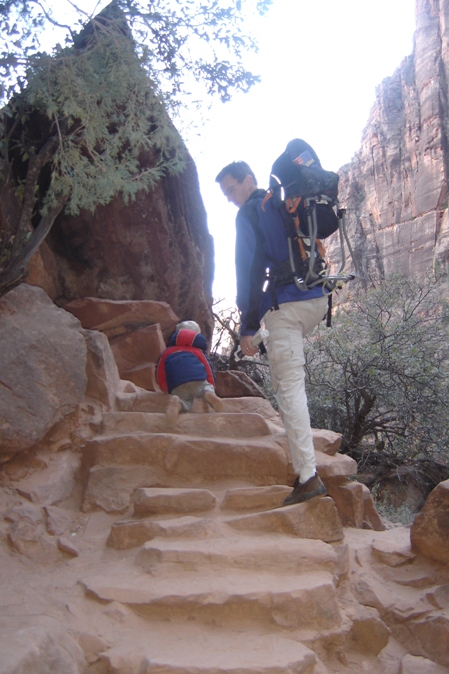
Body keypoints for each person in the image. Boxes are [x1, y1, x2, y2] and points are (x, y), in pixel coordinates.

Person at [215, 160, 328, 505]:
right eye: (225, 194)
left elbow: (247, 268)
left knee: (290, 388)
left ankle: (308, 478)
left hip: (288, 307)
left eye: (232, 189)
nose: (231, 198)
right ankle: (302, 465)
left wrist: (247, 327)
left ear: (249, 180)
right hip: (318, 298)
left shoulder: (251, 212)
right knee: (282, 378)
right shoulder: (282, 205)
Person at [156, 320, 223, 423]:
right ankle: (209, 394)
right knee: (205, 388)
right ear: (196, 335)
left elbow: (160, 370)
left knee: (185, 401)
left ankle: (178, 404)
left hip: (176, 383)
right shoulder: (197, 351)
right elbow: (207, 367)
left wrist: (164, 387)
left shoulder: (168, 351)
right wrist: (211, 384)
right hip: (197, 378)